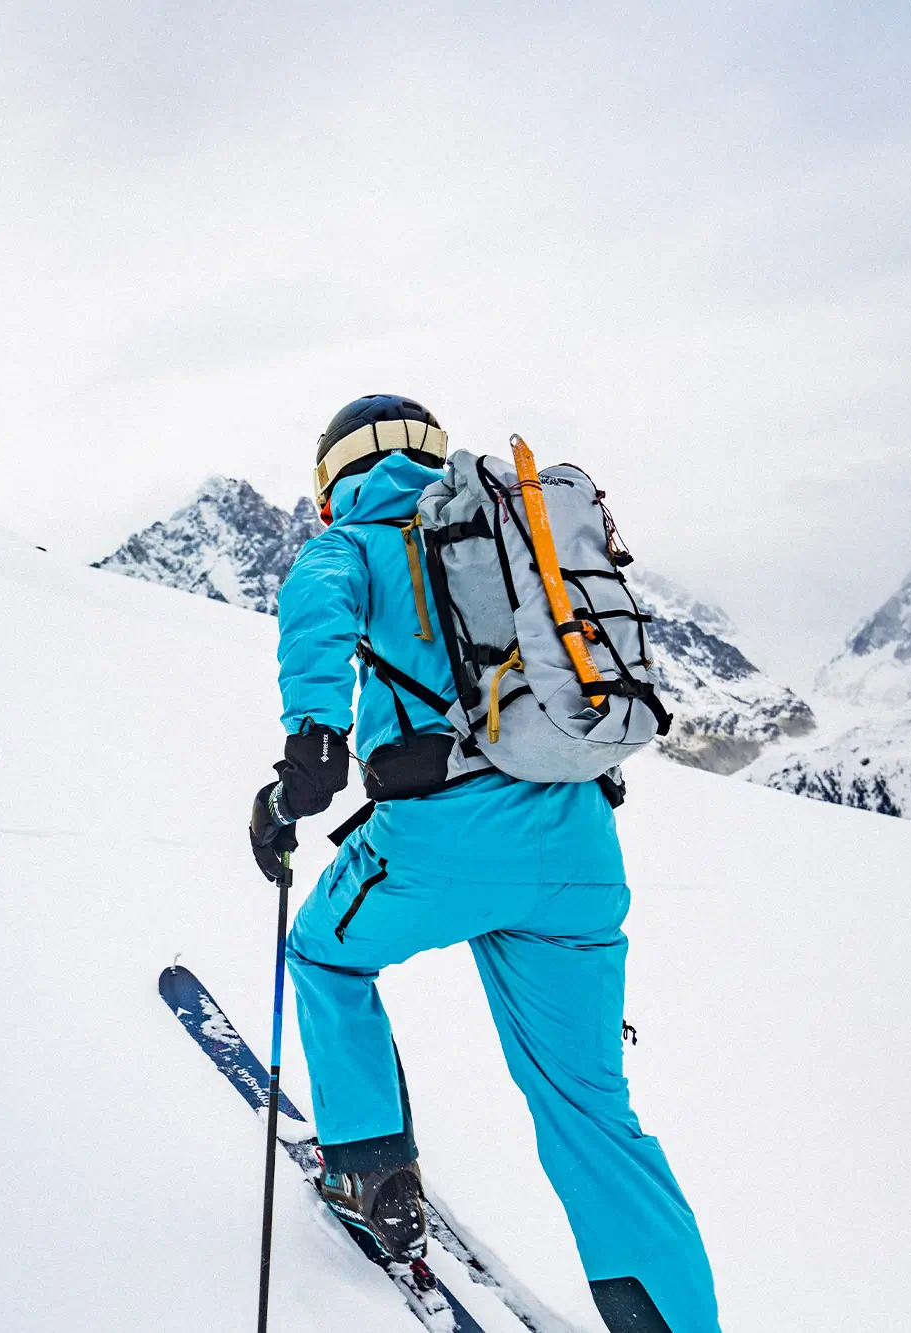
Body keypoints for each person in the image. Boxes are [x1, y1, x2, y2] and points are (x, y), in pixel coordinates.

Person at [247, 395, 722, 1333]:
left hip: (438, 846)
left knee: (325, 955)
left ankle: (371, 1177)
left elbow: (315, 620)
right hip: (579, 855)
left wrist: (305, 762)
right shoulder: (506, 536)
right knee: (591, 1108)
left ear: (331, 478)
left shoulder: (350, 541)